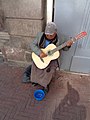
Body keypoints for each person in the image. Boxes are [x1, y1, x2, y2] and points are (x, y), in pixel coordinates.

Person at [22, 22, 73, 93]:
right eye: (47, 34)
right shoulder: (40, 35)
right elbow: (32, 44)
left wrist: (68, 45)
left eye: (50, 35)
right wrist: (40, 53)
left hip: (52, 59)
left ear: (55, 33)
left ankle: (45, 85)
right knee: (36, 68)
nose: (48, 36)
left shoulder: (61, 38)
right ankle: (36, 81)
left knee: (48, 72)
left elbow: (65, 49)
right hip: (40, 56)